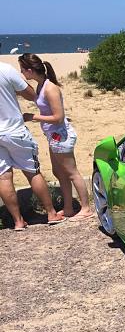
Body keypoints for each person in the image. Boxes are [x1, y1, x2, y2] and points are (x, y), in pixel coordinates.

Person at [18, 54, 93, 221]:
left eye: (22, 70)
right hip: (53, 136)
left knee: (72, 172)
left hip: (61, 136)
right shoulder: (40, 86)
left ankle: (86, 208)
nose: (22, 73)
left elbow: (58, 117)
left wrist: (33, 117)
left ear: (30, 70)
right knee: (59, 172)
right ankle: (68, 208)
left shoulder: (50, 88)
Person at [0, 60, 65, 230]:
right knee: (32, 172)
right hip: (14, 130)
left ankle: (18, 221)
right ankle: (51, 213)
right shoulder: (5, 69)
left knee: (4, 177)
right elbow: (30, 94)